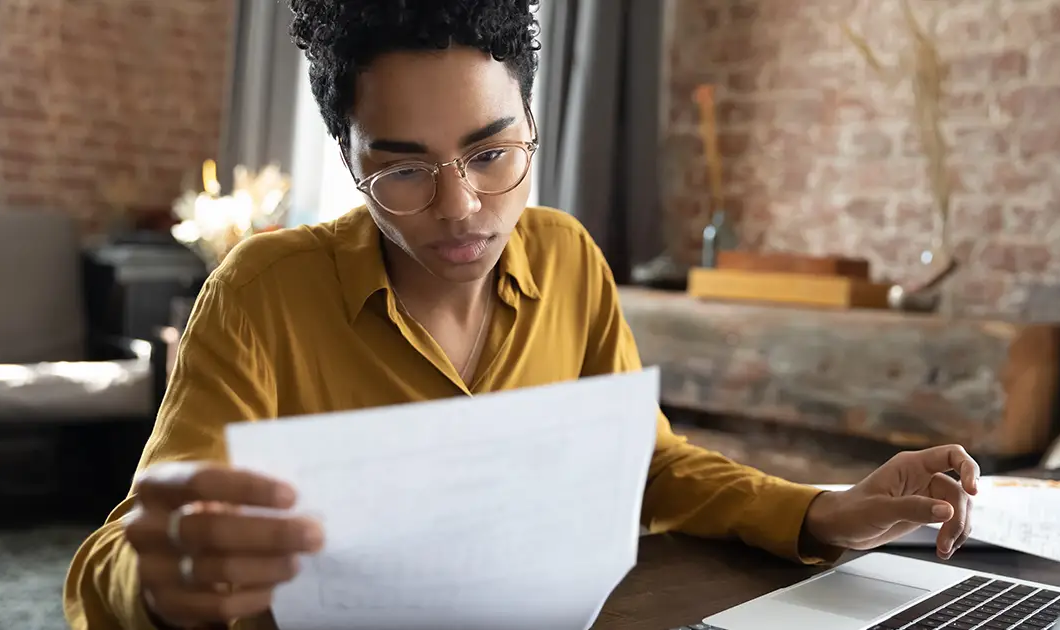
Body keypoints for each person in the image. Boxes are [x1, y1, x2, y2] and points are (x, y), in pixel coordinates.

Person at [63, 2, 978, 628]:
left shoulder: (570, 258)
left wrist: (824, 512)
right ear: (349, 165)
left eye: (493, 153)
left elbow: (648, 466)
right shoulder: (264, 292)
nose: (462, 208)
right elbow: (121, 549)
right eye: (404, 169)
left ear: (531, 126)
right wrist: (160, 582)